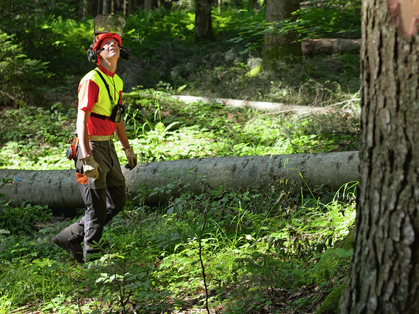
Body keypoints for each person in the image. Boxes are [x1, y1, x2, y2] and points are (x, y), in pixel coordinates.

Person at [52, 31, 137, 263]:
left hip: (108, 146)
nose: (112, 46)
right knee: (97, 207)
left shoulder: (116, 81)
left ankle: (69, 236)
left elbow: (117, 117)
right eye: (106, 44)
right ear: (97, 54)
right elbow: (82, 118)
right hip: (89, 148)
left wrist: (127, 148)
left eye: (116, 44)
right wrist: (87, 156)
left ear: (122, 52)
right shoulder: (91, 79)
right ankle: (93, 262)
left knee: (117, 200)